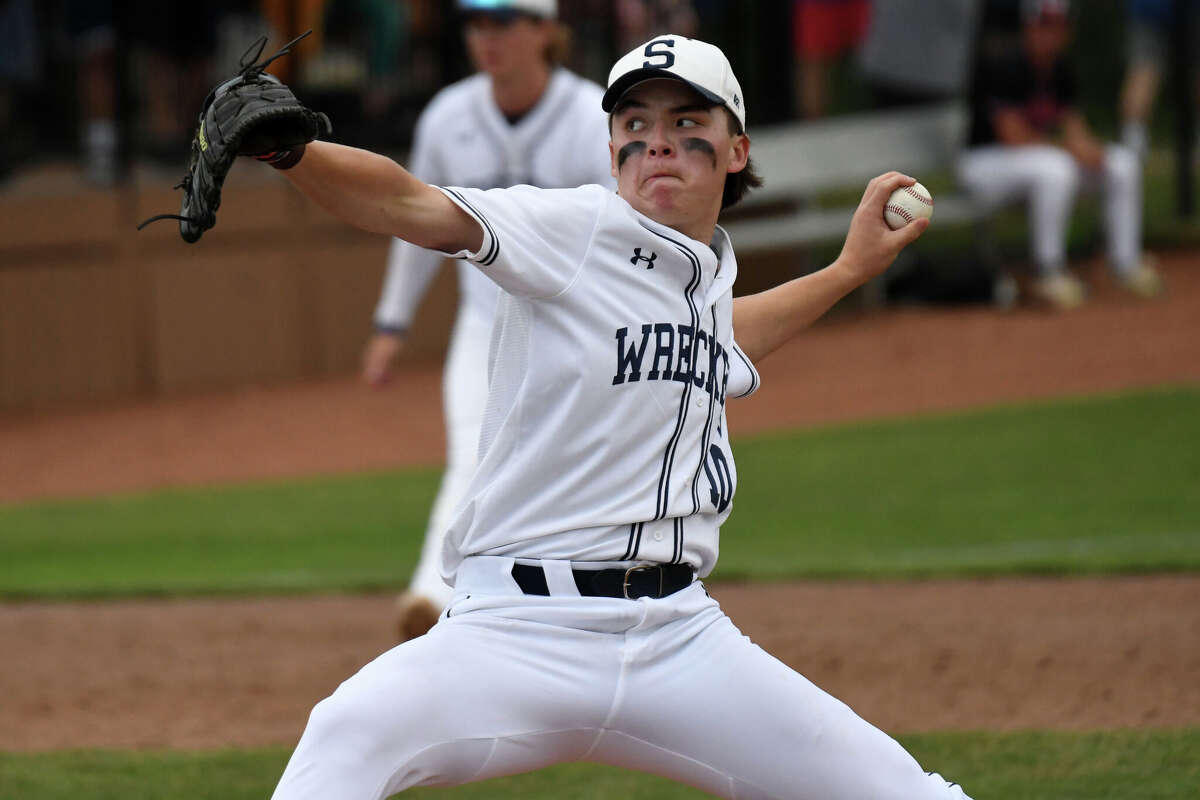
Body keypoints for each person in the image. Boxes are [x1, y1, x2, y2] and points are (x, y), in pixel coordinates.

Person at [248, 31, 970, 799]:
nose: (658, 142)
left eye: (688, 123)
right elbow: (409, 203)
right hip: (515, 633)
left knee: (907, 791)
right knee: (346, 734)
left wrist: (849, 270)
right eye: (635, 126)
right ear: (612, 146)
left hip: (677, 640)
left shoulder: (699, 279)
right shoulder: (574, 231)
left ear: (736, 149)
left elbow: (719, 337)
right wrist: (295, 154)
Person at [360, 0, 616, 642]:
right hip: (484, 328)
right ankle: (431, 594)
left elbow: (619, 233)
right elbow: (410, 224)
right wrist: (392, 323)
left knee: (581, 463)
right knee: (470, 454)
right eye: (476, 23)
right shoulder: (449, 116)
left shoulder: (592, 116)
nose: (487, 37)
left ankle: (560, 601)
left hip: (576, 327)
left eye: (503, 21)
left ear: (543, 29)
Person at [958, 0, 1163, 309]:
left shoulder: (1060, 68)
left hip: (1034, 160)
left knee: (1121, 163)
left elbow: (1072, 126)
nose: (1049, 33)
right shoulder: (1003, 63)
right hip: (984, 164)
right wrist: (1071, 148)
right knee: (1056, 167)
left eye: (1057, 25)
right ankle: (1048, 271)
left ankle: (1126, 263)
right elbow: (1012, 136)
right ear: (1028, 26)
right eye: (1043, 24)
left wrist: (1091, 149)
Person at [1118, 0, 1200, 160]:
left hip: (1148, 7)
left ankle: (1132, 146)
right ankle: (1132, 146)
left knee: (1143, 70)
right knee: (1144, 72)